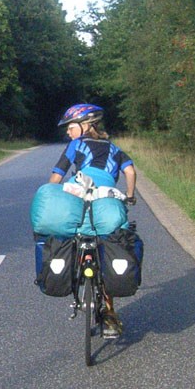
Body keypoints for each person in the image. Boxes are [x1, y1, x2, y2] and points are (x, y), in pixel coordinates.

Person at [48, 103, 137, 339]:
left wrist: (51, 193)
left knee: (72, 231)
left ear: (86, 125)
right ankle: (109, 313)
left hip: (81, 201)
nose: (68, 132)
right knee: (109, 247)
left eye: (71, 127)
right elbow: (130, 172)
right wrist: (130, 196)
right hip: (107, 204)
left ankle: (73, 270)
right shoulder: (115, 148)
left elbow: (58, 173)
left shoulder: (76, 145)